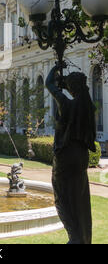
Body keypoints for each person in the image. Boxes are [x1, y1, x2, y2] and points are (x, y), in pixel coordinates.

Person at [46, 65, 97, 245]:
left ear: (72, 88)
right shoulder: (89, 107)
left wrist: (56, 68)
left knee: (62, 196)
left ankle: (74, 237)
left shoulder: (66, 104)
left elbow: (48, 83)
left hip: (65, 158)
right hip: (81, 156)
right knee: (80, 198)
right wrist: (67, 82)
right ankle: (82, 238)